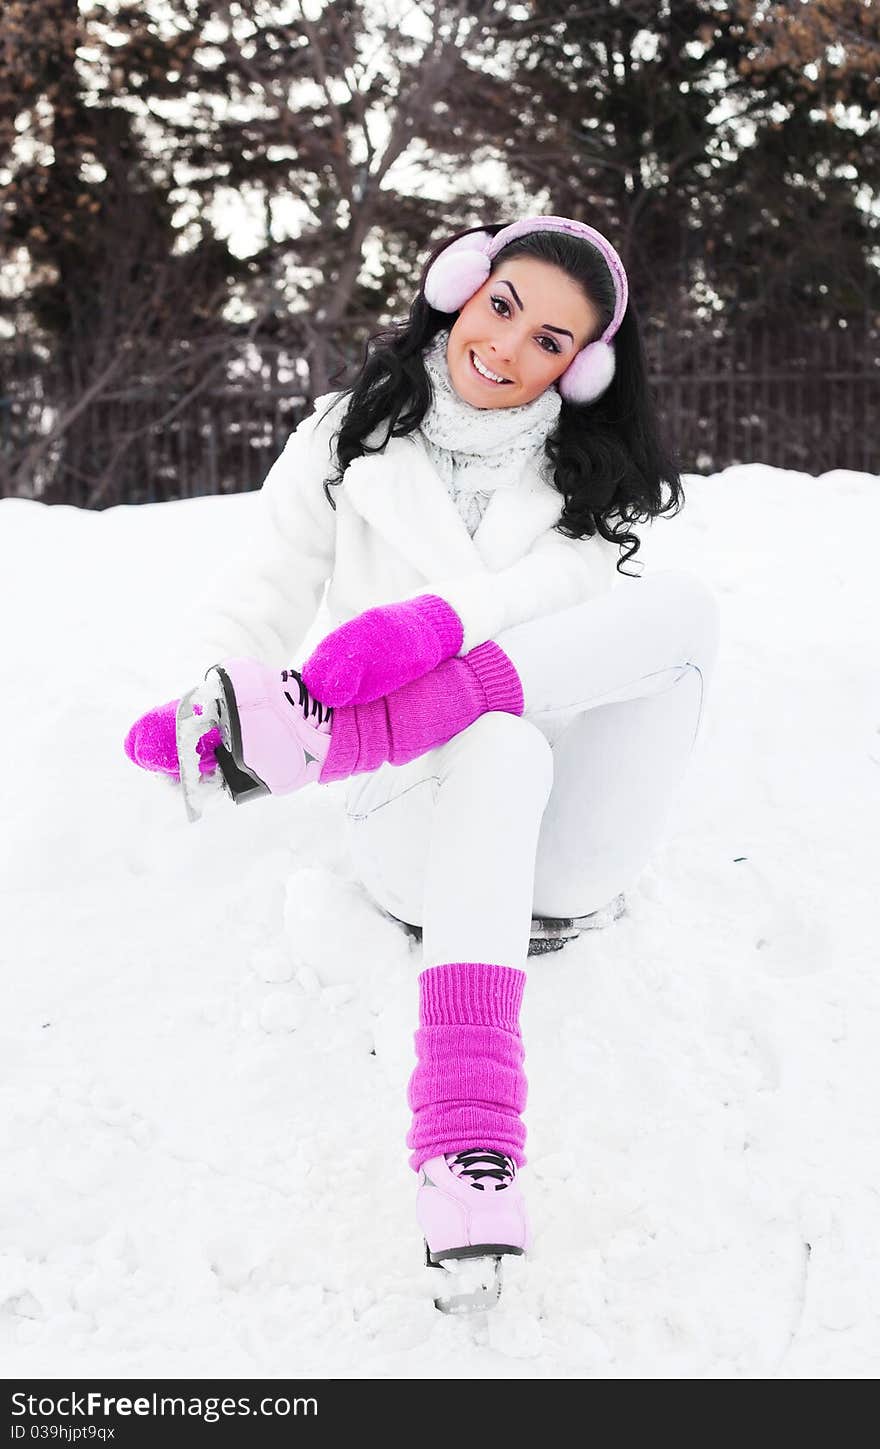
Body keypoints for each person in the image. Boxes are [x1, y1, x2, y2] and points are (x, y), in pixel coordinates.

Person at [125, 215, 720, 1296]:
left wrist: (431, 629)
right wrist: (199, 711)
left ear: (580, 370)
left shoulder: (583, 481)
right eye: (502, 307)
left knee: (679, 614)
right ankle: (465, 1149)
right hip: (420, 830)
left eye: (548, 340)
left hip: (567, 849)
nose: (506, 347)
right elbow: (258, 595)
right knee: (494, 745)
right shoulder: (345, 439)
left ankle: (331, 737)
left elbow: (559, 600)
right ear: (459, 288)